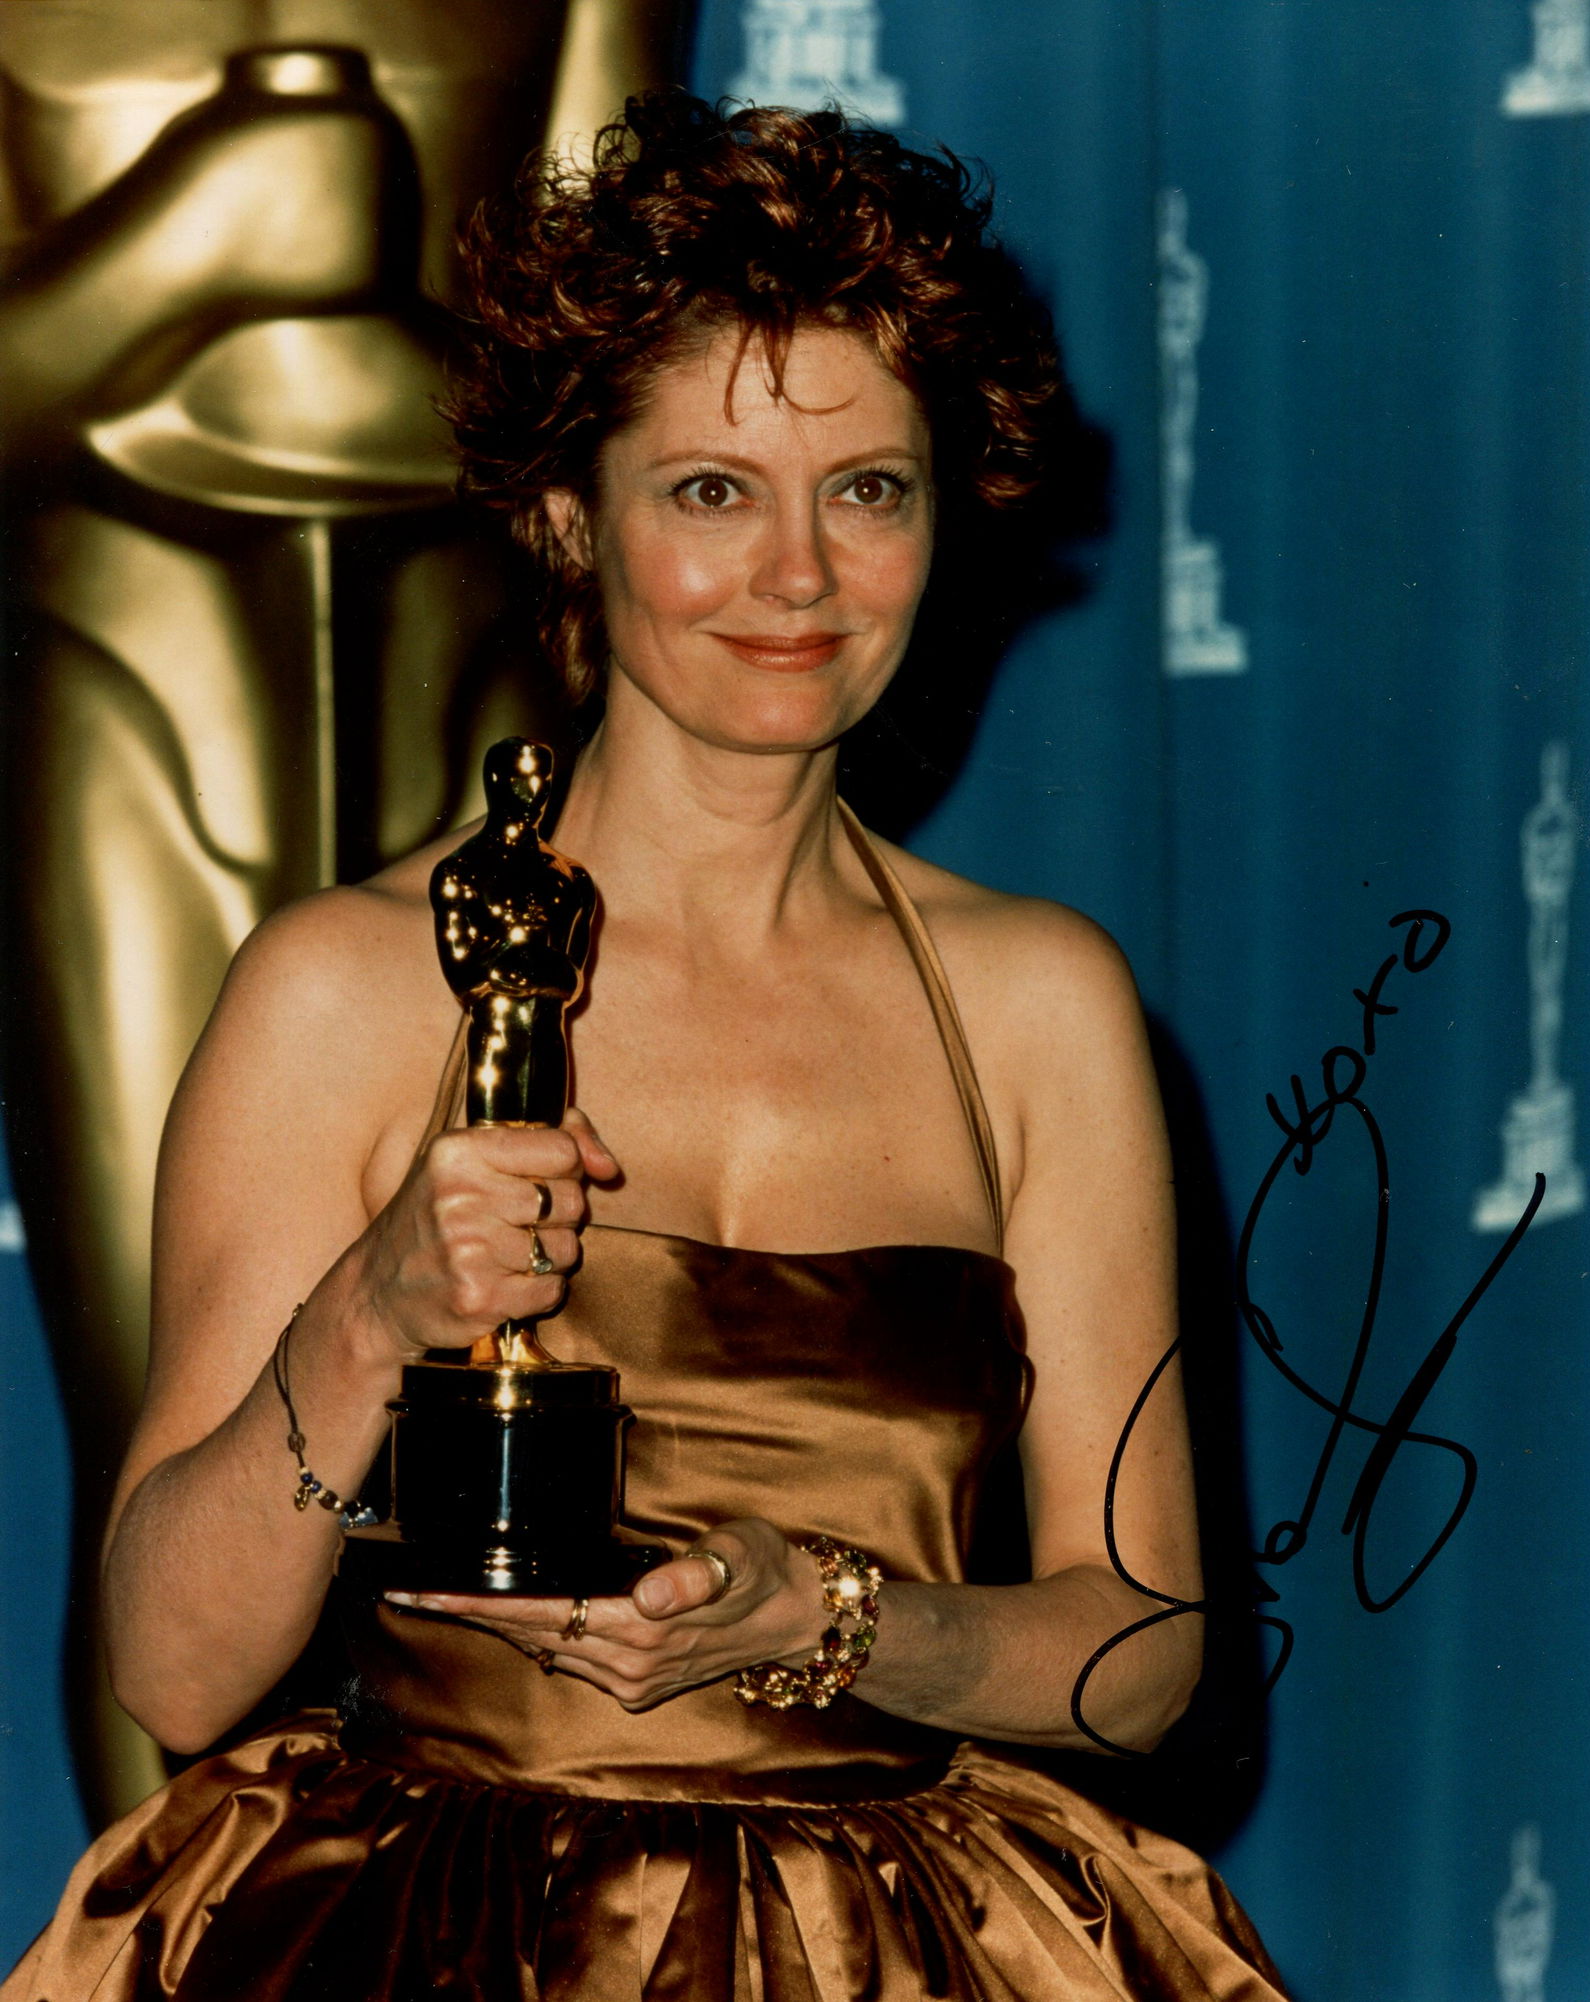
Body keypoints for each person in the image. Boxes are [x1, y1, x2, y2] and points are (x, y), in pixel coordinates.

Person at [6, 92, 1287, 2001]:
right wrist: (371, 1309)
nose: (801, 573)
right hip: (428, 1945)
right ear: (565, 514)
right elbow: (174, 1671)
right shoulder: (348, 989)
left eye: (870, 489)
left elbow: (1147, 1651)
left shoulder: (1040, 1005)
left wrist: (828, 1620)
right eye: (710, 490)